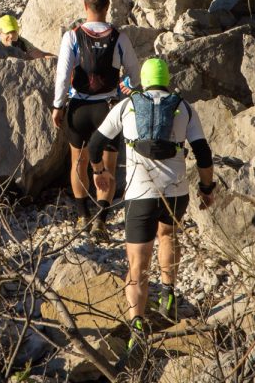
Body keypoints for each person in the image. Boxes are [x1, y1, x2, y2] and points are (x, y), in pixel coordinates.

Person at [88, 57, 215, 368]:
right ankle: (168, 293)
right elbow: (203, 152)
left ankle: (137, 325)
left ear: (143, 81)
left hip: (139, 195)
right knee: (168, 235)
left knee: (137, 263)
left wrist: (99, 171)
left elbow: (95, 144)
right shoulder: (183, 107)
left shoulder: (127, 106)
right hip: (175, 192)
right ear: (167, 79)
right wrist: (207, 188)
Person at [51, 0, 140, 240]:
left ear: (85, 6)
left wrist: (58, 106)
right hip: (108, 109)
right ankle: (101, 219)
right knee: (107, 165)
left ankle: (82, 215)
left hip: (78, 107)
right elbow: (134, 74)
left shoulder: (72, 36)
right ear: (108, 7)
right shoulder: (119, 37)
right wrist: (127, 88)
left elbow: (63, 75)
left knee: (78, 162)